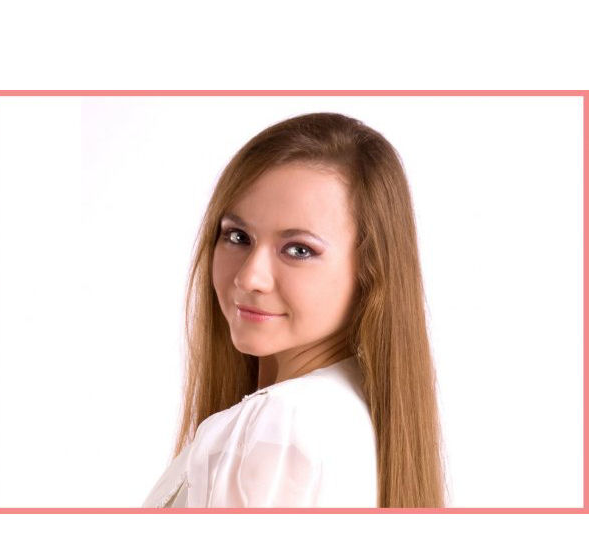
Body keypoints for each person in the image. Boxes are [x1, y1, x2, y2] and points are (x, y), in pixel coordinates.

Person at [142, 112, 446, 508]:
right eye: (238, 236)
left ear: (370, 272)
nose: (250, 277)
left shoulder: (279, 423)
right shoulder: (360, 417)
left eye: (299, 249)